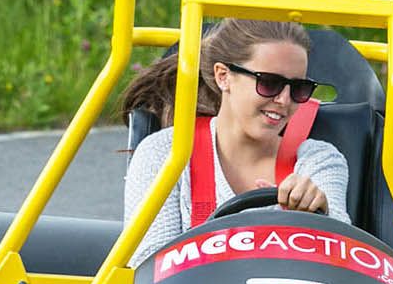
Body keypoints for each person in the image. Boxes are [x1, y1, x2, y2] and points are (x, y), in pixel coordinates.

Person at [122, 18, 349, 266]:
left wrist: (319, 218)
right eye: (269, 83)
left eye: (299, 88)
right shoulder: (166, 153)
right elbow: (148, 267)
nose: (284, 100)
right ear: (223, 76)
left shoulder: (319, 160)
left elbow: (345, 254)